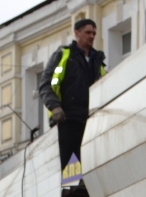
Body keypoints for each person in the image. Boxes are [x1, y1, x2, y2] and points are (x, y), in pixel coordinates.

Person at [39, 18, 107, 169]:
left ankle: (83, 189)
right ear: (77, 33)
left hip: (92, 120)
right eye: (88, 32)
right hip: (67, 120)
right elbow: (47, 84)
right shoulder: (65, 57)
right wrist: (55, 106)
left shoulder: (98, 62)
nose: (91, 36)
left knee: (91, 164)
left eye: (94, 33)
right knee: (71, 165)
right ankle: (71, 189)